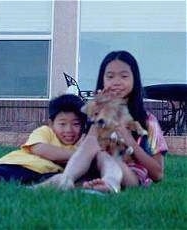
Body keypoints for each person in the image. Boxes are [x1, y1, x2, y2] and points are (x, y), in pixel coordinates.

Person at [37, 50, 168, 193]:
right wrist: (100, 116)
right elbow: (86, 148)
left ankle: (109, 184)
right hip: (97, 167)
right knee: (98, 149)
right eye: (110, 76)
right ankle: (66, 179)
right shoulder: (97, 112)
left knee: (110, 155)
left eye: (124, 76)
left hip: (131, 175)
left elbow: (158, 174)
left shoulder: (148, 121)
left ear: (134, 79)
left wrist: (128, 138)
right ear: (103, 80)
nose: (116, 82)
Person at [0, 94, 87, 185]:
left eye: (76, 124)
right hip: (18, 165)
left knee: (61, 181)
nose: (69, 130)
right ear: (51, 123)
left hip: (48, 174)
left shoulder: (82, 142)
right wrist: (81, 155)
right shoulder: (46, 131)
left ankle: (32, 190)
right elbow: (40, 149)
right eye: (62, 124)